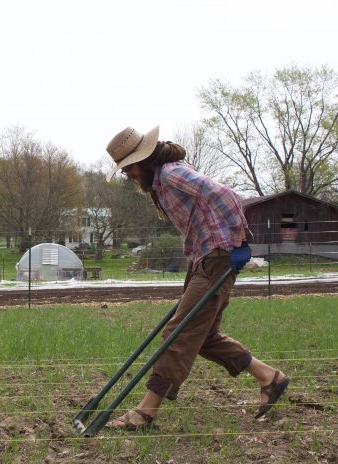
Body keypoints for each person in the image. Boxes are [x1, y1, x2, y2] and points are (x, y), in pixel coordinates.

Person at [104, 126, 290, 430]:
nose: (129, 175)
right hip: (204, 258)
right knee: (203, 336)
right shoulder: (161, 181)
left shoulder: (171, 173)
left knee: (179, 332)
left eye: (130, 168)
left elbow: (224, 194)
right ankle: (270, 378)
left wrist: (240, 239)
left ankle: (145, 412)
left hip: (219, 255)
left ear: (144, 159)